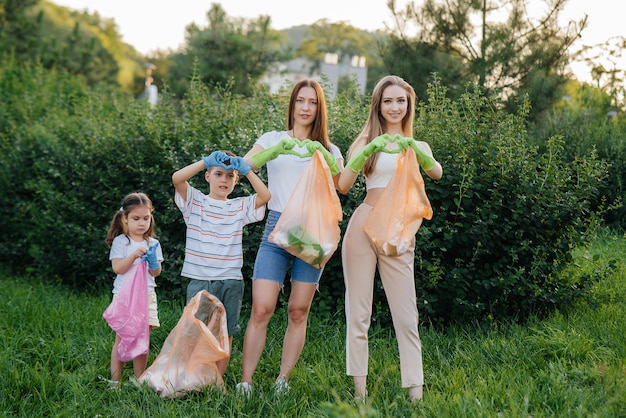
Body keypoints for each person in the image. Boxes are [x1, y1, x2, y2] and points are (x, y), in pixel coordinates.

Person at [337, 75, 443, 402]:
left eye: (400, 101)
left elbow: (436, 172)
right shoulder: (364, 142)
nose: (395, 106)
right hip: (364, 224)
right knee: (358, 313)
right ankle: (359, 394)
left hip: (397, 232)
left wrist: (417, 152)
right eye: (388, 101)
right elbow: (342, 184)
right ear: (378, 106)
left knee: (406, 315)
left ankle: (415, 393)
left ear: (408, 105)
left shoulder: (417, 145)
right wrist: (368, 149)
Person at [237, 79, 344, 394]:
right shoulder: (272, 138)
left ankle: (282, 380)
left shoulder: (329, 148)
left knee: (298, 309)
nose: (306, 108)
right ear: (292, 104)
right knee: (262, 307)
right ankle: (246, 381)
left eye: (312, 102)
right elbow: (244, 165)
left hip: (312, 231)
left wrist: (323, 154)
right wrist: (276, 149)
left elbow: (341, 183)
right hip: (275, 226)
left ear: (319, 108)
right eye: (301, 101)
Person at [172, 150, 270, 377]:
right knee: (195, 331)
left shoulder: (239, 207)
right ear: (208, 177)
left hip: (231, 280)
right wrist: (204, 161)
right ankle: (189, 377)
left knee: (225, 333)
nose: (224, 180)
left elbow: (265, 196)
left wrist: (247, 170)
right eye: (218, 174)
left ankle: (217, 379)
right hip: (200, 279)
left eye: (230, 176)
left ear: (236, 180)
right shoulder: (195, 202)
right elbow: (177, 178)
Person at [105, 192, 164, 389]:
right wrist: (133, 257)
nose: (141, 223)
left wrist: (153, 263)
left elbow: (156, 273)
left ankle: (140, 379)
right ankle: (115, 381)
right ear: (125, 219)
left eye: (146, 218)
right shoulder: (122, 242)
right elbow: (118, 268)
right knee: (122, 337)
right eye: (136, 218)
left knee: (143, 338)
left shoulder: (153, 244)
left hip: (146, 296)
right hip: (124, 297)